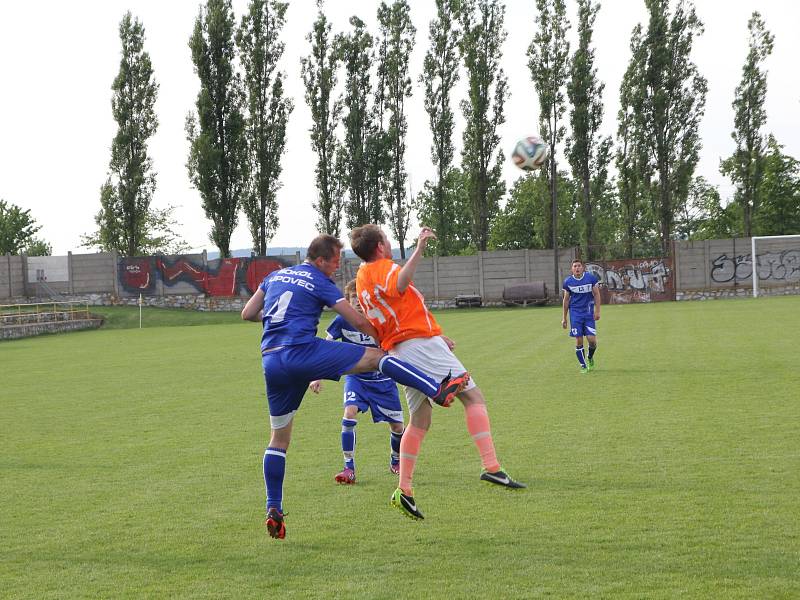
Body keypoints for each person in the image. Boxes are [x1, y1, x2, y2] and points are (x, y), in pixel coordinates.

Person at [241, 234, 468, 540]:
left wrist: (276, 320)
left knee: (278, 440)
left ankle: (274, 509)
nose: (336, 267)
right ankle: (436, 388)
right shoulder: (318, 280)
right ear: (320, 259)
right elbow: (358, 322)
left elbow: (247, 313)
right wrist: (392, 336)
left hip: (271, 361)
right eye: (334, 261)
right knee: (376, 357)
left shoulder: (274, 276)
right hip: (303, 351)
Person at [350, 224, 526, 521]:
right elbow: (400, 285)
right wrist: (419, 249)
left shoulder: (361, 277)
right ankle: (492, 467)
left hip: (403, 348)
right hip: (418, 346)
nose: (390, 242)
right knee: (473, 397)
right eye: (386, 238)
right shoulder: (382, 267)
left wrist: (431, 334)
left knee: (420, 419)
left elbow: (392, 310)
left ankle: (404, 490)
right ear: (379, 246)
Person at [309, 280, 405, 484]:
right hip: (356, 379)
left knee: (397, 427)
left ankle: (395, 461)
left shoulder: (379, 321)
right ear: (348, 301)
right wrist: (317, 374)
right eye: (354, 298)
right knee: (349, 412)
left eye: (362, 298)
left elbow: (398, 346)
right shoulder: (342, 321)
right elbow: (326, 346)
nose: (359, 302)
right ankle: (348, 468)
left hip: (383, 381)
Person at [561, 258, 602, 373]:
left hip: (588, 313)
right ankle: (583, 365)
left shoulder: (591, 279)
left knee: (592, 340)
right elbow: (566, 300)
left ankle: (589, 358)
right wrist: (564, 318)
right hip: (575, 314)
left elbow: (597, 294)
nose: (577, 268)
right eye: (575, 266)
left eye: (579, 266)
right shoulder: (568, 282)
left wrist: (597, 311)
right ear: (571, 269)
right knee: (579, 340)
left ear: (583, 268)